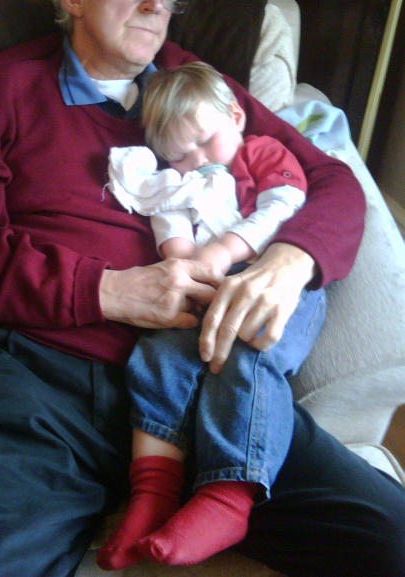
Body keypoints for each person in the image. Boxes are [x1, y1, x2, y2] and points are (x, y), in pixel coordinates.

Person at [0, 0, 405, 577]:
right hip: (34, 375)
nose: (154, 4)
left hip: (208, 378)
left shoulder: (193, 84)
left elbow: (330, 180)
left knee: (389, 538)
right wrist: (108, 290)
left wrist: (290, 261)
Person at [96, 61, 324, 569]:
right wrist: (182, 262)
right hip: (202, 290)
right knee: (156, 355)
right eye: (179, 154)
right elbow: (170, 223)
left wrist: (222, 250)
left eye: (205, 141)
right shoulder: (176, 181)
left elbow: (285, 204)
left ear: (236, 118)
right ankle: (153, 491)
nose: (197, 161)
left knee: (248, 354)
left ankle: (229, 496)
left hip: (276, 282)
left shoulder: (261, 152)